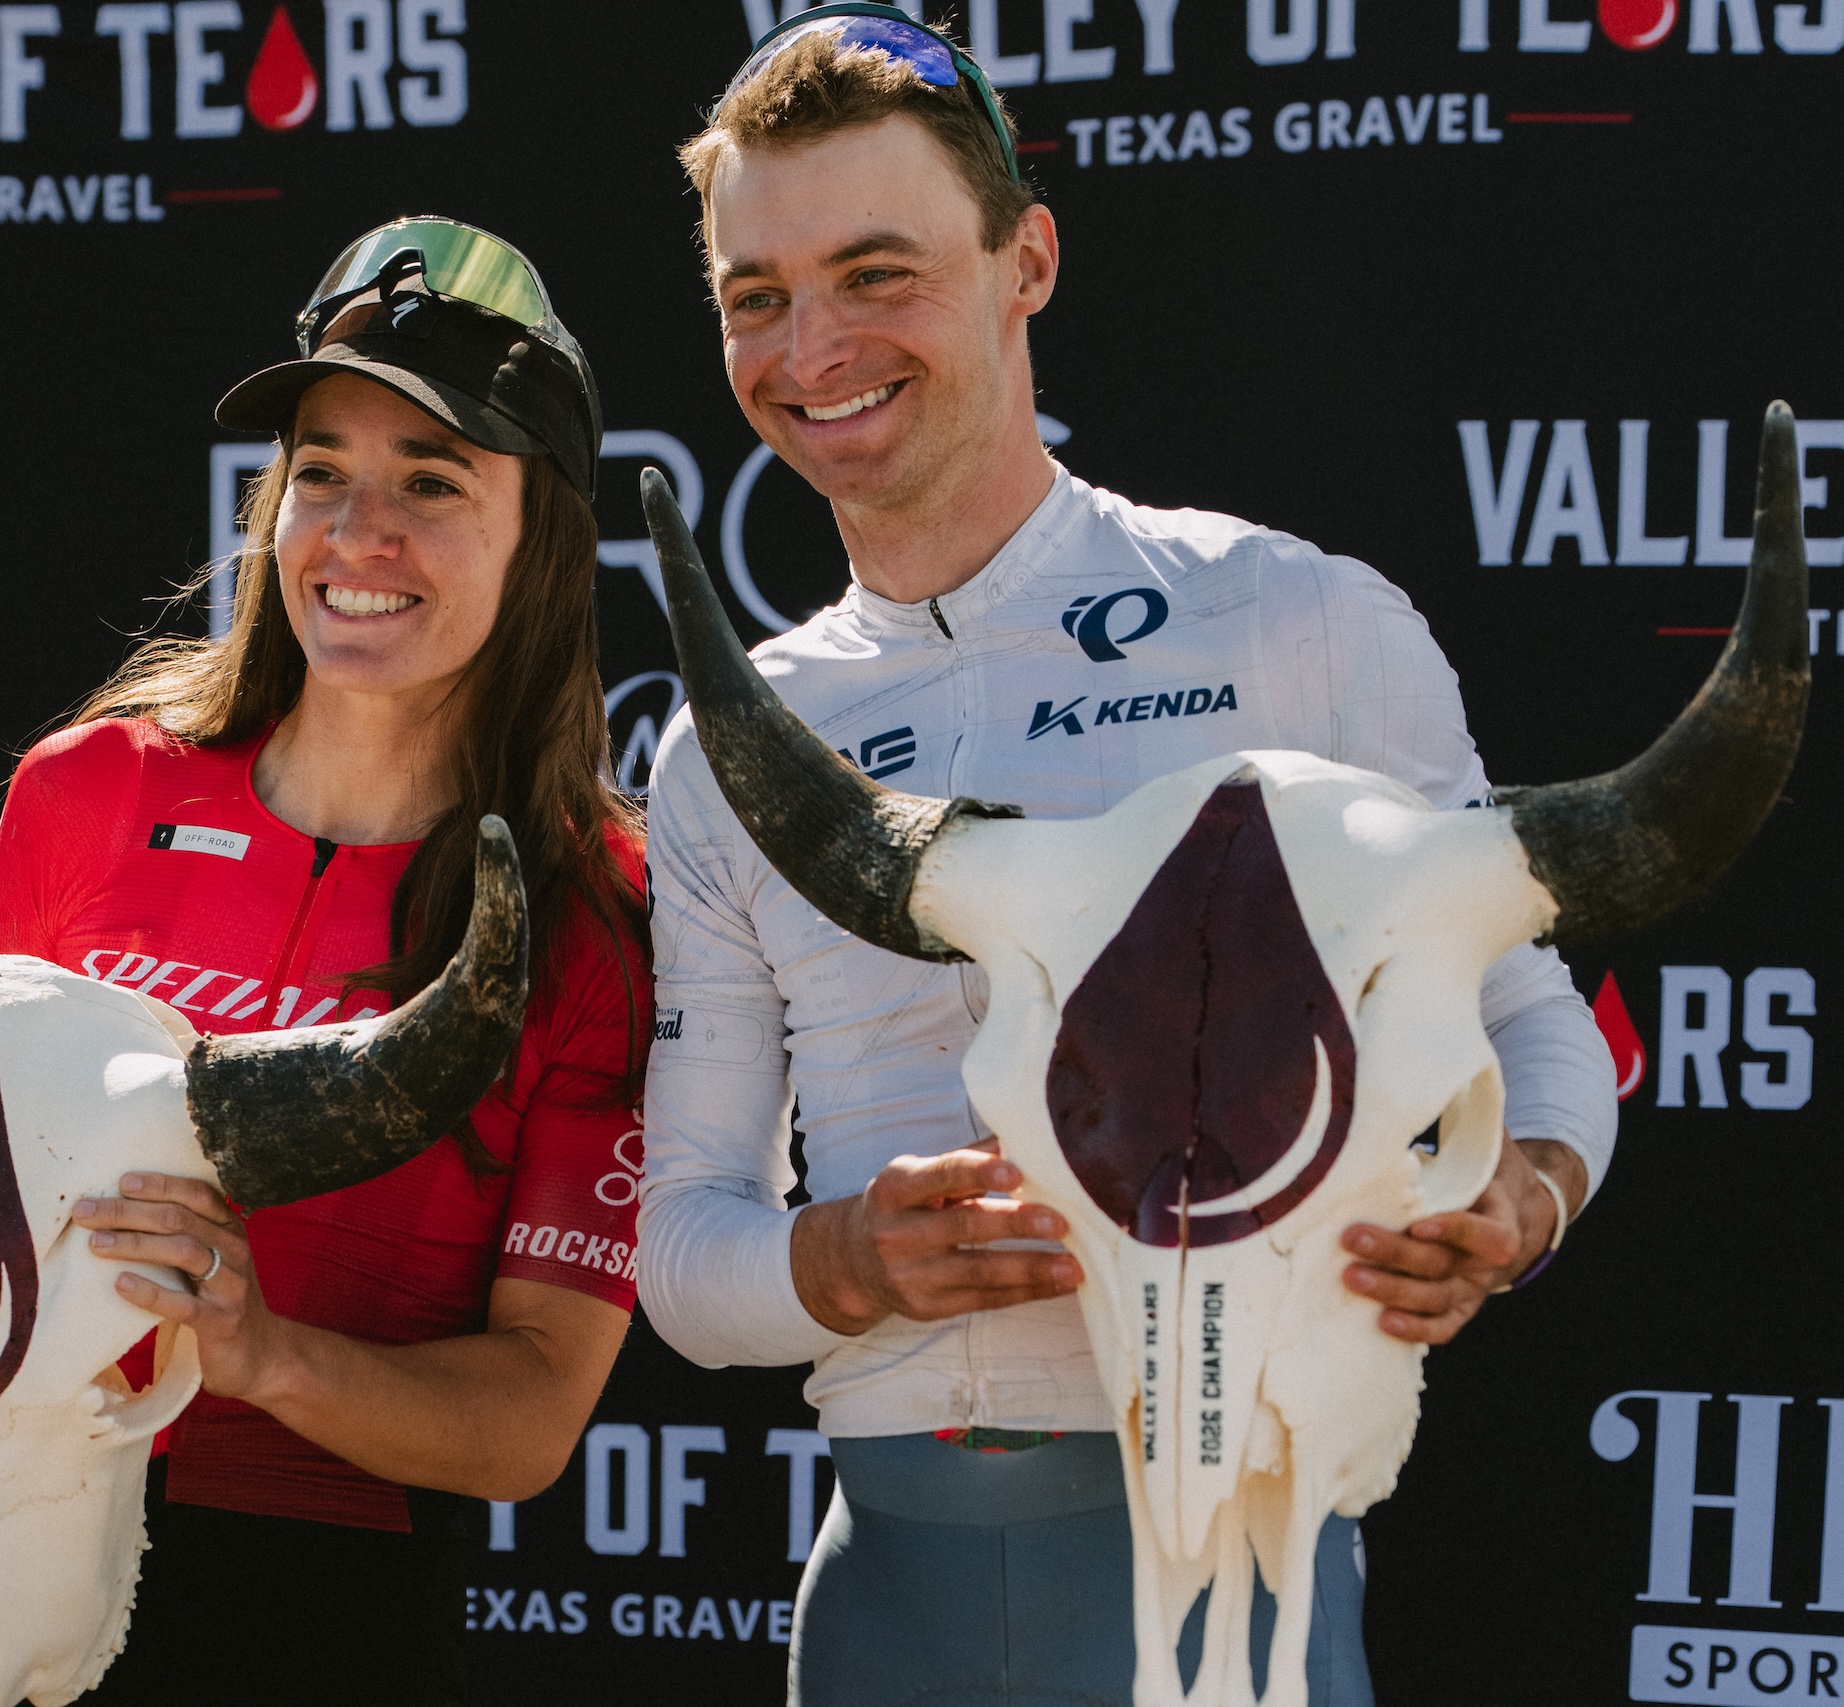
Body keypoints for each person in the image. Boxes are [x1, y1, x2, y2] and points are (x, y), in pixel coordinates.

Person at [634, 9, 1615, 1704]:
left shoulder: (1300, 622)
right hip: (887, 1608)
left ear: (1029, 261)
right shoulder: (725, 747)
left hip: (1242, 1591)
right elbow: (684, 1250)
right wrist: (845, 1258)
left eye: (880, 273)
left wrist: (1514, 1200)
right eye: (757, 295)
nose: (813, 346)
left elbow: (1533, 1028)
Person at [0, 219, 651, 1706]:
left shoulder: (597, 908)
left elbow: (529, 1423)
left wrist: (263, 1356)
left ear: (541, 537)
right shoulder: (90, 792)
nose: (358, 533)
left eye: (433, 483)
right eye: (321, 471)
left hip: (319, 1602)